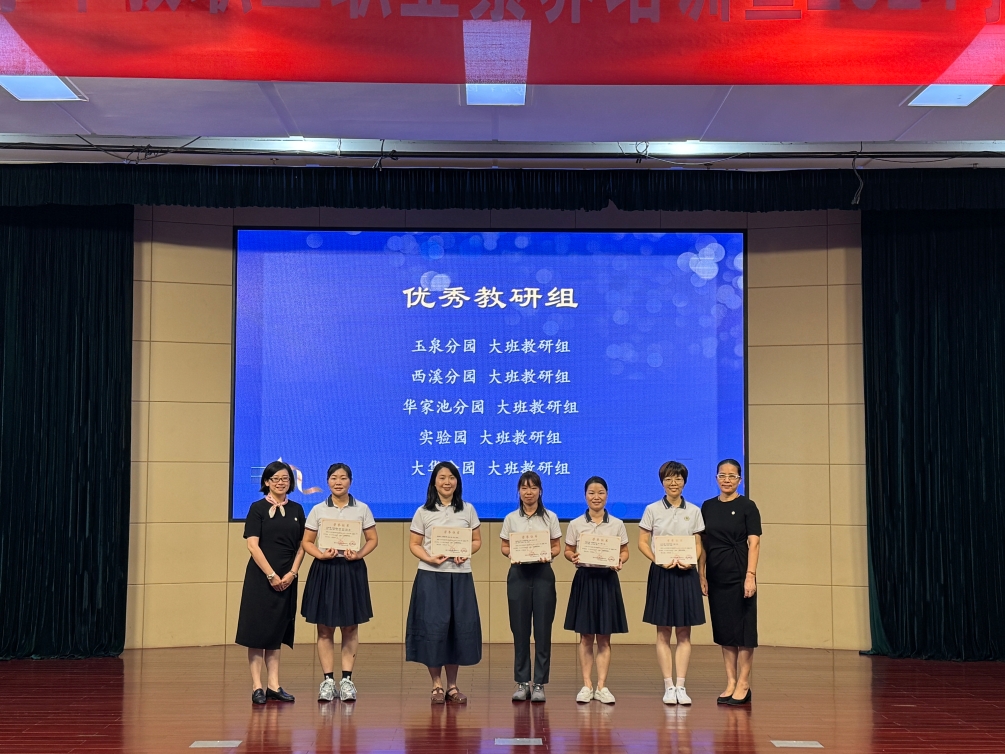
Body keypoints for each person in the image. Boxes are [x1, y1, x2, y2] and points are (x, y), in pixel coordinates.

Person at [405, 461, 483, 704]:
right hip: (431, 576)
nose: (447, 482)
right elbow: (414, 544)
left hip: (460, 576)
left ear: (457, 481)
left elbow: (476, 541)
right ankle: (436, 685)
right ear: (434, 482)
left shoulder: (468, 509)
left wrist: (465, 552)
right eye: (442, 477)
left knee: (456, 630)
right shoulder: (423, 511)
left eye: (451, 477)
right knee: (433, 630)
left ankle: (452, 686)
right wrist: (429, 558)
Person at [301, 463, 378, 703]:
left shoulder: (362, 509)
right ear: (327, 482)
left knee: (350, 627)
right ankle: (327, 681)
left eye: (343, 478)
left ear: (350, 481)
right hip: (325, 569)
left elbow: (372, 539)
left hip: (352, 570)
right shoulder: (318, 509)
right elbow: (307, 542)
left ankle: (346, 680)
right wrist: (320, 554)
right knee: (324, 628)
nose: (338, 482)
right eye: (334, 478)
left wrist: (360, 553)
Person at [236, 460, 306, 705]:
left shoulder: (297, 509)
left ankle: (273, 685)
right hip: (261, 578)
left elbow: (303, 546)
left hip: (287, 578)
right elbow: (252, 545)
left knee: (276, 632)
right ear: (266, 482)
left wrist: (292, 573)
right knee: (257, 632)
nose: (280, 482)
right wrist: (271, 575)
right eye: (275, 479)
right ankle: (257, 686)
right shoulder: (257, 508)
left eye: (285, 478)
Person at [638, 460, 706, 706]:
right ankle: (668, 685)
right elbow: (643, 542)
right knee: (663, 631)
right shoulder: (652, 509)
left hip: (686, 573)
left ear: (684, 482)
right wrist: (658, 559)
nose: (673, 483)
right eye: (668, 479)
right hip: (662, 573)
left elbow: (698, 543)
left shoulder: (694, 510)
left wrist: (692, 561)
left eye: (678, 478)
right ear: (662, 482)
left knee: (685, 632)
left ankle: (681, 686)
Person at [699, 459, 761, 706]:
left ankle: (744, 683)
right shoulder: (708, 506)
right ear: (716, 478)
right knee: (724, 630)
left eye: (732, 476)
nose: (727, 480)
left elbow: (754, 543)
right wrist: (701, 574)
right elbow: (703, 544)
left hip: (740, 573)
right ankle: (731, 682)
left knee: (743, 630)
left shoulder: (748, 506)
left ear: (740, 480)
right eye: (722, 475)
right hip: (716, 575)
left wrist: (750, 575)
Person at [563, 476, 629, 705]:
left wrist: (620, 560)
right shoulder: (575, 524)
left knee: (604, 636)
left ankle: (601, 686)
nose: (596, 497)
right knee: (585, 636)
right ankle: (586, 686)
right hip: (585, 579)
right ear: (585, 496)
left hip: (607, 580)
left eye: (600, 492)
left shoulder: (617, 524)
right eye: (591, 492)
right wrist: (573, 556)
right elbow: (568, 550)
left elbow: (625, 551)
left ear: (607, 495)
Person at [500, 471, 562, 703]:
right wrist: (512, 553)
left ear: (540, 491)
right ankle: (522, 682)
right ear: (519, 491)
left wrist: (548, 554)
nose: (529, 492)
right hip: (518, 575)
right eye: (525, 488)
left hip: (543, 574)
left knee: (543, 631)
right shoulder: (510, 518)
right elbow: (504, 547)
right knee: (520, 630)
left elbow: (556, 546)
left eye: (533, 488)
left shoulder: (550, 517)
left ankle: (539, 684)